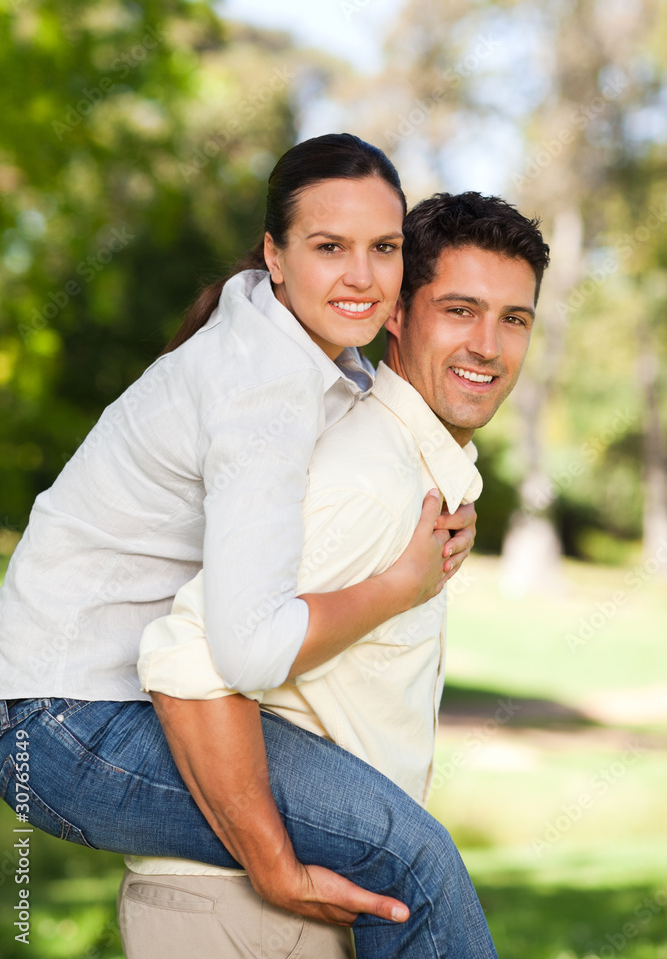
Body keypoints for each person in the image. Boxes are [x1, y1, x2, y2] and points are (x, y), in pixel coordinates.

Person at [0, 135, 476, 931]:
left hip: (78, 704)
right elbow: (249, 647)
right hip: (56, 723)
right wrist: (399, 586)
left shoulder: (290, 345)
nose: (361, 276)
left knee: (401, 839)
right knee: (413, 859)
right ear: (275, 256)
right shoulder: (263, 390)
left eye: (383, 249)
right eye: (330, 247)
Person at [116, 192, 550, 959]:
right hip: (250, 911)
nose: (487, 344)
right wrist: (272, 866)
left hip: (294, 903)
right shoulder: (366, 479)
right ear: (395, 315)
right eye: (459, 309)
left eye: (513, 319)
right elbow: (185, 660)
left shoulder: (404, 471)